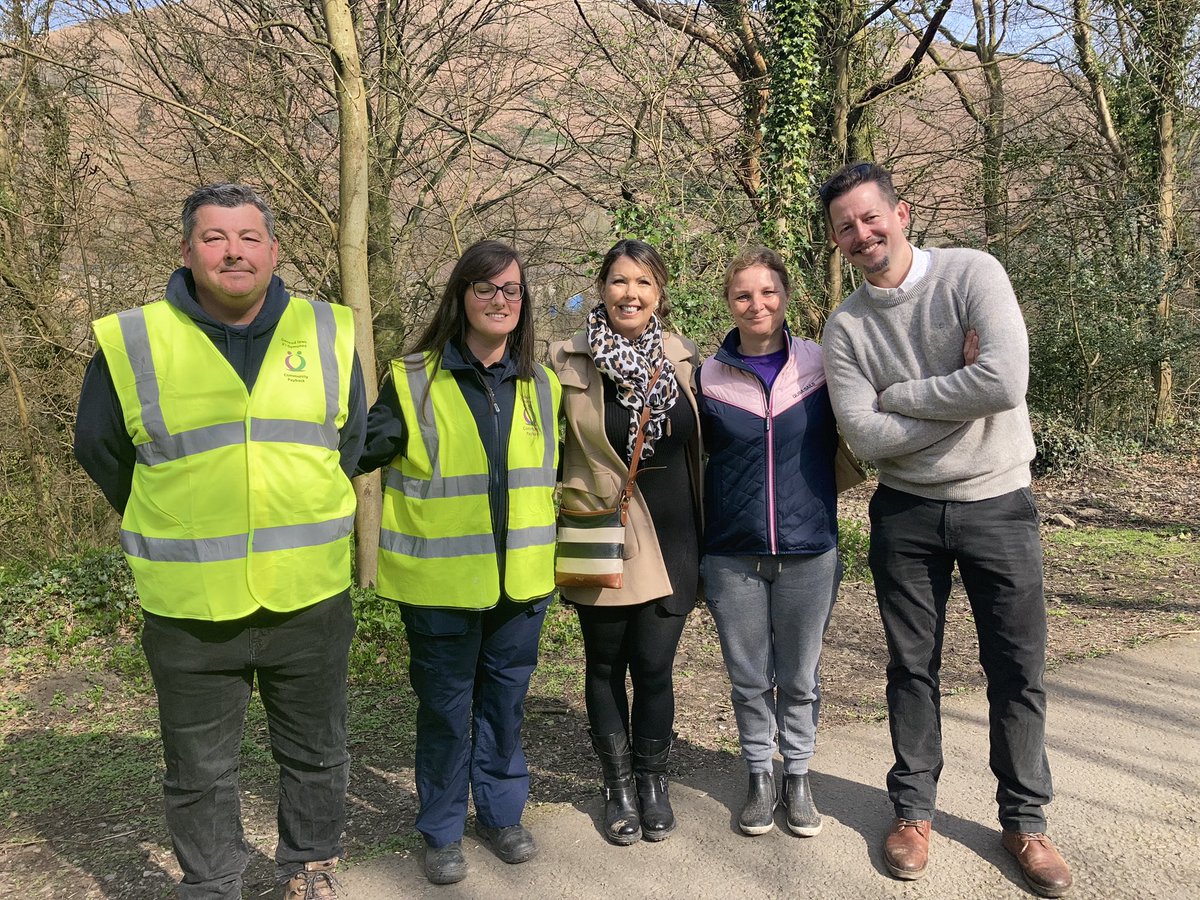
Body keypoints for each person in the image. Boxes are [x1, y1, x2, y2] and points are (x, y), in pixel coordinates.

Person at [74, 183, 365, 900]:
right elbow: (101, 451)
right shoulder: (132, 341)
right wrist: (177, 521)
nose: (233, 252)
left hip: (309, 597)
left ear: (274, 251)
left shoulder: (328, 331)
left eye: (248, 237)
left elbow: (348, 445)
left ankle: (310, 869)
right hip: (190, 607)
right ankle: (212, 885)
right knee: (199, 770)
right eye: (214, 238)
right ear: (187, 250)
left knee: (317, 752)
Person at [819, 161, 1072, 898]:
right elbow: (864, 438)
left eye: (871, 217)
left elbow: (1005, 382)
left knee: (1017, 669)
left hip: (999, 502)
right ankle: (913, 812)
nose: (862, 234)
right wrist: (959, 398)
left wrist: (901, 396)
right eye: (846, 227)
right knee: (911, 668)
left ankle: (1025, 822)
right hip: (905, 511)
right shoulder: (846, 327)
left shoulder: (973, 274)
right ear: (836, 242)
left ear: (901, 214)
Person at [356, 240, 560, 885]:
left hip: (522, 583)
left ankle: (501, 815)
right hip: (440, 587)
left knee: (504, 707)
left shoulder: (542, 385)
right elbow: (356, 450)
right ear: (461, 296)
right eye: (485, 288)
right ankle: (442, 830)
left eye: (512, 289)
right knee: (446, 714)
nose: (500, 300)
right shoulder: (412, 379)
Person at [550, 239, 702, 845]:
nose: (630, 293)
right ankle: (616, 786)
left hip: (675, 536)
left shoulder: (685, 358)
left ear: (659, 292)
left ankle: (652, 782)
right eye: (619, 281)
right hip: (603, 532)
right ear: (602, 288)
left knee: (656, 667)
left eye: (643, 282)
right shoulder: (567, 361)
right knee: (606, 665)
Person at [696, 247, 843, 839]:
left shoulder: (823, 364)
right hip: (732, 553)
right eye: (743, 295)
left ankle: (798, 776)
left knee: (801, 677)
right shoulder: (705, 376)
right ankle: (760, 774)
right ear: (729, 303)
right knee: (749, 677)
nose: (756, 304)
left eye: (767, 292)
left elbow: (879, 399)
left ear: (785, 295)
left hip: (810, 549)